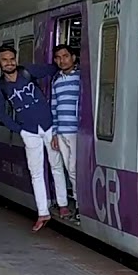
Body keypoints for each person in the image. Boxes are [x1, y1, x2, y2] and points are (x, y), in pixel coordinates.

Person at [0, 44, 71, 231]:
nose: (9, 63)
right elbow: (0, 112)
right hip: (29, 131)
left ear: (16, 59)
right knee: (36, 172)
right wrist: (19, 130)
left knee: (56, 165)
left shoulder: (28, 71)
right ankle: (43, 212)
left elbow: (53, 68)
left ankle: (63, 205)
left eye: (12, 59)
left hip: (49, 125)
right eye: (5, 60)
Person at [49, 44, 80, 218]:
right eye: (58, 58)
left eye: (65, 56)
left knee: (74, 169)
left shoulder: (81, 78)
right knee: (69, 169)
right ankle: (76, 203)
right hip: (61, 131)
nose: (62, 60)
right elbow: (54, 107)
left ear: (73, 58)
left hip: (76, 131)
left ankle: (79, 205)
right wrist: (54, 132)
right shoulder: (56, 81)